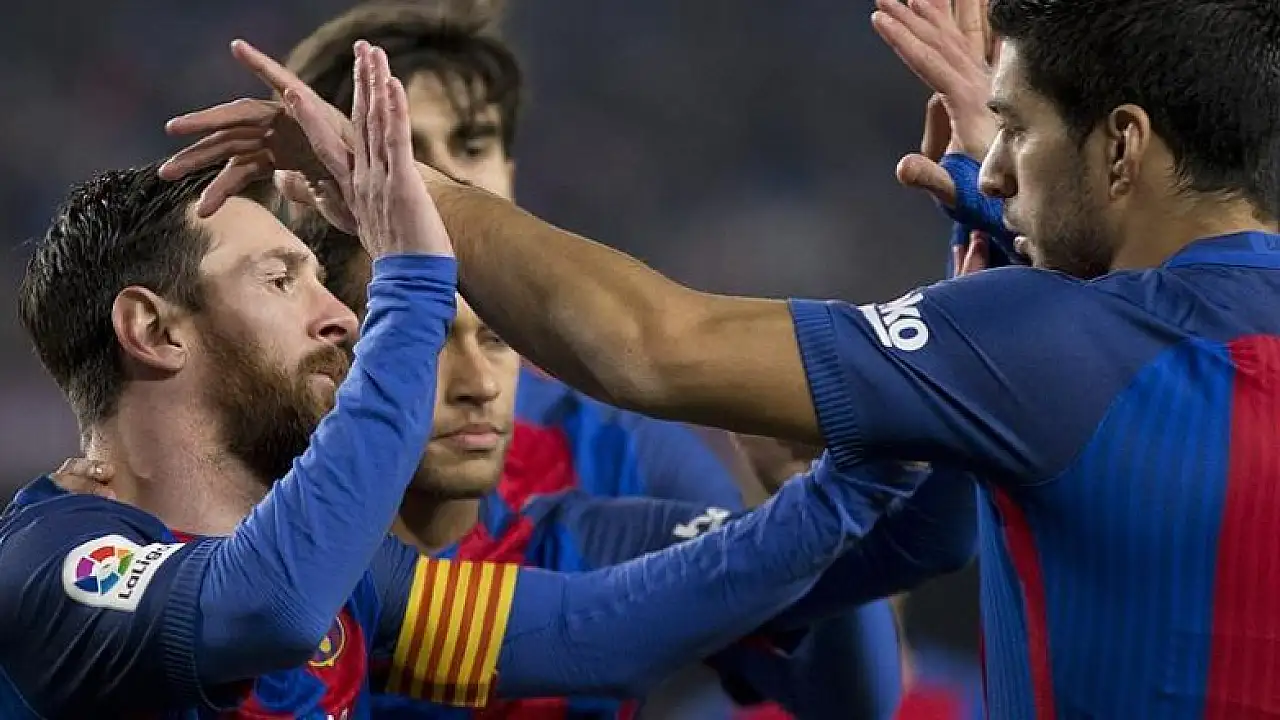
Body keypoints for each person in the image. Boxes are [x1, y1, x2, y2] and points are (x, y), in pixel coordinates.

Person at [166, 0, 1280, 713]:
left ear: (1122, 148)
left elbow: (652, 350)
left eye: (1019, 133)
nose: (989, 169)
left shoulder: (596, 488)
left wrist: (403, 210)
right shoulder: (149, 542)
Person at [4, 44, 970, 719]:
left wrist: (910, 414)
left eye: (495, 341)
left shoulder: (361, 580)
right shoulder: (56, 564)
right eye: (280, 280)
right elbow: (267, 608)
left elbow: (597, 636)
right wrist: (415, 275)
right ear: (153, 330)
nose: (338, 320)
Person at [282, 5, 906, 717]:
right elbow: (593, 640)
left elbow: (835, 678)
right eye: (391, 150)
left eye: (469, 146)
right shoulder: (261, 486)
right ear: (307, 184)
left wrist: (812, 491)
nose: (429, 182)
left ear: (511, 168)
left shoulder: (613, 462)